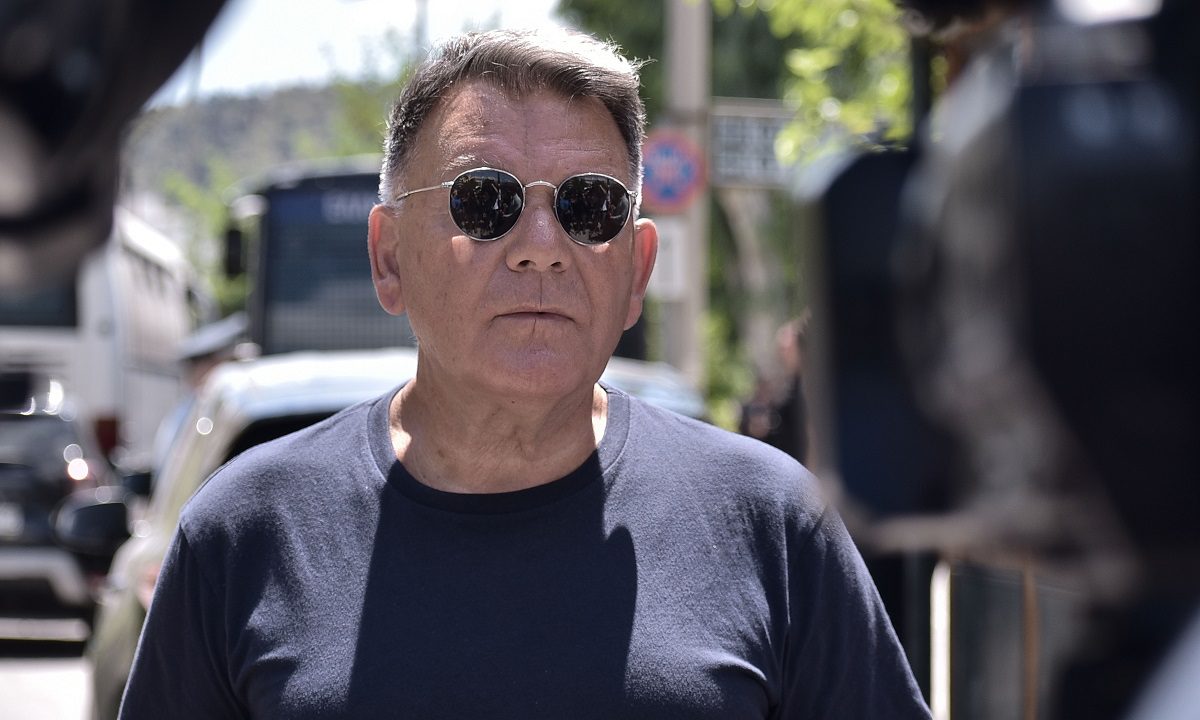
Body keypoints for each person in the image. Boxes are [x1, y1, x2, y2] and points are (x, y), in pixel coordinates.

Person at [119, 28, 931, 719]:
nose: (542, 246)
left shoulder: (773, 525)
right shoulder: (243, 535)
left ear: (637, 270)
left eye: (589, 207)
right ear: (388, 256)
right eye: (485, 201)